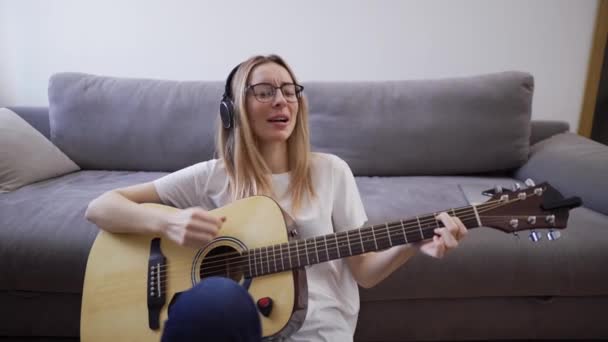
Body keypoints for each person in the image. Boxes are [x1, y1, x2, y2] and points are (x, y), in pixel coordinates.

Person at [85, 54, 468, 341]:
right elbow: (100, 207)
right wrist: (168, 221)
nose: (281, 101)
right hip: (239, 330)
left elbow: (365, 273)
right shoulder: (213, 176)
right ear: (233, 109)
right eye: (264, 92)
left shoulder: (330, 171)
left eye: (289, 91)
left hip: (318, 330)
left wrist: (411, 242)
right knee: (218, 297)